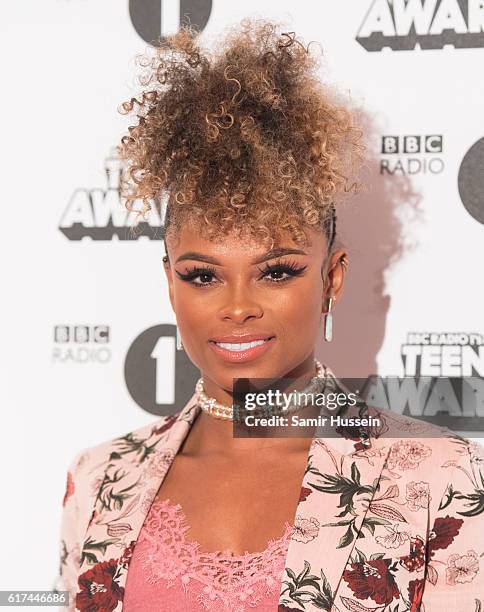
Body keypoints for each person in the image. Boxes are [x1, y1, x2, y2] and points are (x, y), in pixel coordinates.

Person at [55, 18, 484, 612]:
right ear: (169, 284)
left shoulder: (443, 476)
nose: (236, 307)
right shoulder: (102, 478)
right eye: (202, 275)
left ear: (332, 279)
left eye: (276, 271)